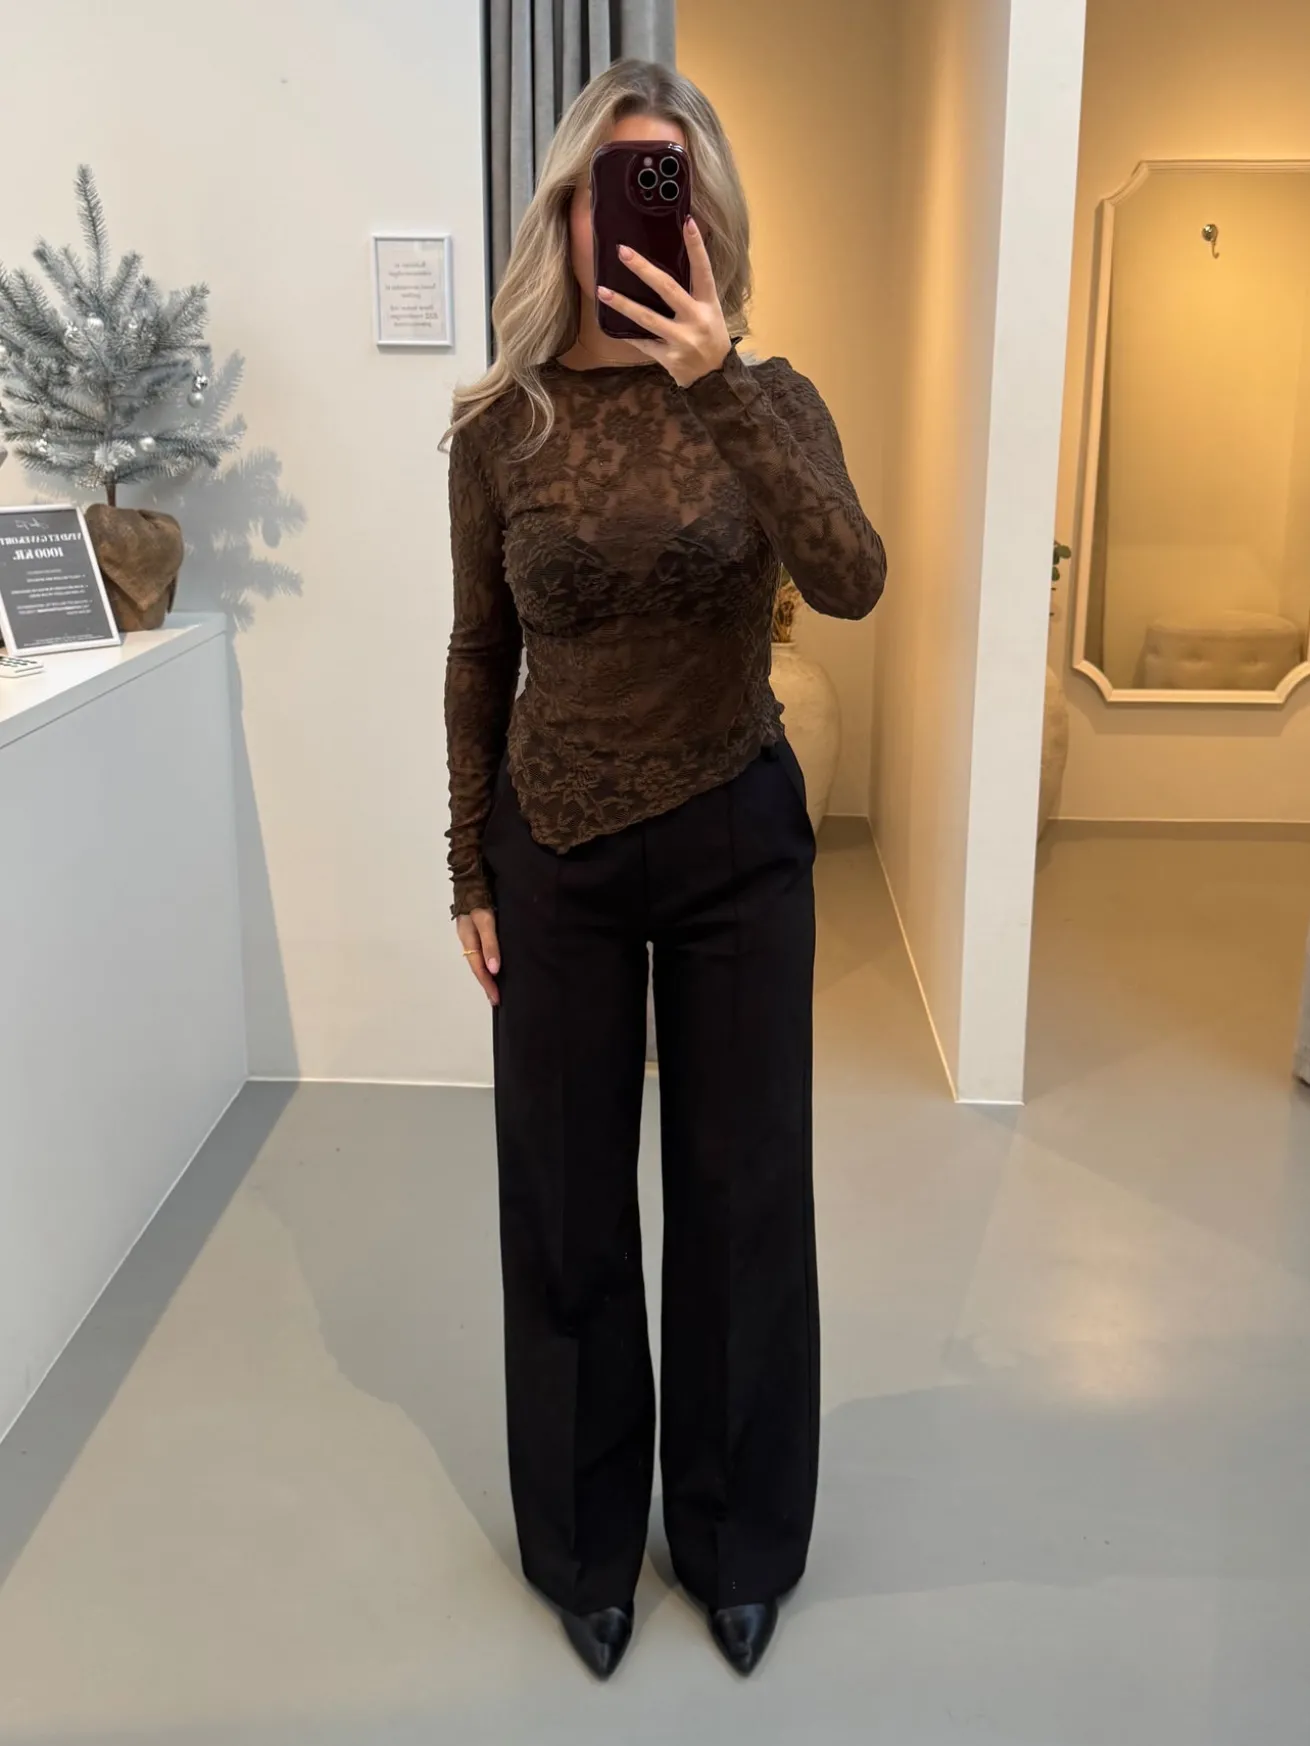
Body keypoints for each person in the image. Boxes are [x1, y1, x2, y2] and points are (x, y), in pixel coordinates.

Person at [443, 58, 886, 1681]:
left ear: (706, 217)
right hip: (551, 845)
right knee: (564, 1206)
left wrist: (721, 386)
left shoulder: (771, 396)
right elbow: (477, 650)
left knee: (742, 1197)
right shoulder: (497, 425)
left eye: (669, 187)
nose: (639, 215)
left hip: (735, 845)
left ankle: (737, 1537)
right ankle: (581, 1544)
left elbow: (851, 577)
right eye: (612, 188)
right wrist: (463, 862)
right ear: (566, 214)